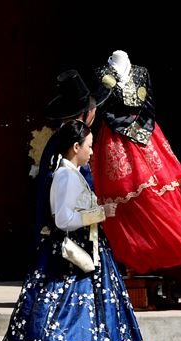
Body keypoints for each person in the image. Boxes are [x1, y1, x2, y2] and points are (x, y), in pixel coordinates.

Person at [0, 120, 153, 341]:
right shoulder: (65, 176)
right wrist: (100, 213)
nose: (91, 152)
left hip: (85, 255)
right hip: (69, 261)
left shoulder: (72, 173)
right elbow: (63, 220)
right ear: (76, 147)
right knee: (62, 319)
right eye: (88, 146)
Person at [91, 50, 181, 274]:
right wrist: (126, 128)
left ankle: (168, 252)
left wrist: (143, 130)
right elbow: (104, 107)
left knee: (162, 188)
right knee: (128, 193)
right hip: (115, 137)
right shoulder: (101, 72)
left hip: (147, 134)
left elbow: (148, 102)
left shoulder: (141, 72)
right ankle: (133, 258)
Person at [30, 70, 110, 250]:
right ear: (87, 113)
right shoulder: (66, 145)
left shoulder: (58, 140)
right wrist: (97, 213)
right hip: (70, 235)